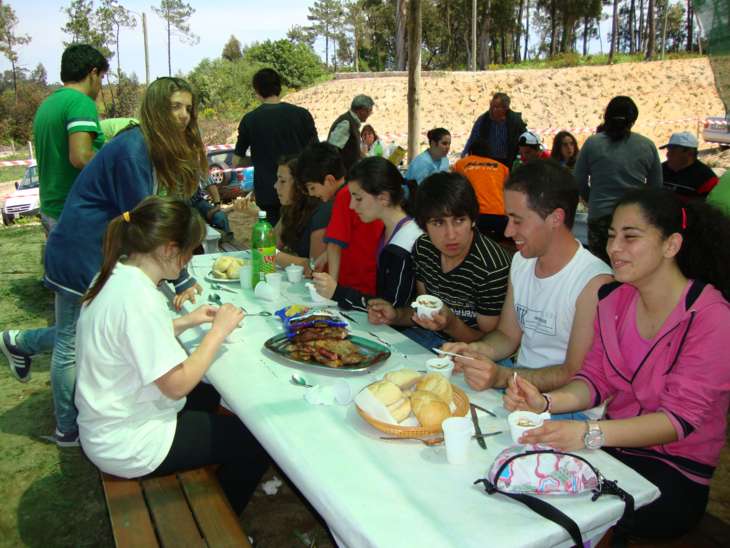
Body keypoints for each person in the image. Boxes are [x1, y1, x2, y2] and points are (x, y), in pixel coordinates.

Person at [504, 187, 730, 540]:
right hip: (612, 450)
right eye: (611, 236)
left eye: (630, 237)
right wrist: (546, 402)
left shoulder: (710, 317)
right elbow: (595, 379)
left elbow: (678, 421)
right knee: (523, 487)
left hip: (674, 468)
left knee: (562, 512)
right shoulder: (614, 299)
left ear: (671, 245)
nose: (614, 248)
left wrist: (588, 434)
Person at [1, 77, 206, 446]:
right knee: (73, 340)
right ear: (156, 107)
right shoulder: (134, 149)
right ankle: (68, 429)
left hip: (99, 249)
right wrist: (180, 277)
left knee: (91, 331)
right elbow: (149, 220)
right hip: (80, 251)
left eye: (188, 108)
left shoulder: (148, 146)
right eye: (175, 106)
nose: (183, 116)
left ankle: (22, 342)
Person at [75, 196, 269, 514]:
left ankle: (211, 468)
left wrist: (186, 321)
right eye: (189, 251)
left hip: (109, 421)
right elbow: (176, 385)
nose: (188, 261)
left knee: (215, 395)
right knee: (258, 442)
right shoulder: (139, 298)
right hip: (128, 443)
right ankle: (217, 522)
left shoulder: (116, 275)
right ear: (169, 249)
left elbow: (130, 337)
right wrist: (217, 333)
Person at [442, 161, 612, 395]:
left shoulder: (594, 283)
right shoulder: (522, 262)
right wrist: (475, 351)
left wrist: (503, 377)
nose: (508, 231)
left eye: (518, 220)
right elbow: (507, 335)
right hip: (519, 382)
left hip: (566, 402)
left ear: (555, 218)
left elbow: (574, 372)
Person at [368, 172, 510, 349]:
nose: (450, 235)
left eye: (459, 220)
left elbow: (490, 340)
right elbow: (423, 310)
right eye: (438, 223)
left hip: (473, 350)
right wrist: (395, 315)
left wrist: (450, 324)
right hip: (428, 337)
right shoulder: (423, 248)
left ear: (473, 220)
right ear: (423, 226)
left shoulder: (492, 267)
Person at [312, 157, 422, 310]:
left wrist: (338, 292)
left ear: (383, 198)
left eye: (358, 198)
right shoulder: (390, 230)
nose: (351, 206)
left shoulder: (405, 242)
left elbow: (392, 310)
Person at [574, 96, 662, 264]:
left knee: (599, 267)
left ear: (607, 116)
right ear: (633, 120)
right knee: (630, 267)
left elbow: (578, 181)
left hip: (600, 217)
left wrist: (593, 200)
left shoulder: (592, 144)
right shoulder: (647, 146)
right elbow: (655, 188)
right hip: (634, 219)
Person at [34, 44, 109, 235]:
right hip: (77, 213)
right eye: (101, 78)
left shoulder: (47, 104)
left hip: (51, 209)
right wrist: (114, 164)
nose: (100, 85)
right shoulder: (81, 102)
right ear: (93, 73)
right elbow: (81, 157)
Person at [296, 142, 384, 295]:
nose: (311, 194)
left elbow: (334, 245)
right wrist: (325, 257)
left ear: (329, 180)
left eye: (312, 187)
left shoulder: (344, 196)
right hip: (372, 278)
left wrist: (332, 289)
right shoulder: (359, 192)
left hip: (354, 283)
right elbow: (350, 236)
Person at [234, 68, 318, 226]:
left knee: (272, 236)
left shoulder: (249, 120)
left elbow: (236, 161)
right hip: (300, 190)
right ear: (279, 87)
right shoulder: (302, 114)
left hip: (267, 193)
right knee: (300, 233)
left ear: (257, 90)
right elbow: (316, 153)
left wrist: (258, 159)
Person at [273, 156, 330, 271]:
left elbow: (315, 268)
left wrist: (276, 256)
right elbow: (269, 244)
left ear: (299, 186)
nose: (275, 186)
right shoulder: (291, 208)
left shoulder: (320, 212)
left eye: (282, 181)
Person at [452, 137, 510, 240]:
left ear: (470, 152)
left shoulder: (460, 164)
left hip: (474, 215)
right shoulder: (502, 168)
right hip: (499, 216)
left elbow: (454, 189)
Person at [462, 92, 527, 169]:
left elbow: (524, 139)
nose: (492, 110)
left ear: (505, 108)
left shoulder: (515, 121)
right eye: (491, 106)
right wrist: (464, 155)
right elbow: (473, 138)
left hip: (508, 161)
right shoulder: (483, 120)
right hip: (488, 161)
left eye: (496, 107)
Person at [660, 131, 719, 202]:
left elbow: (708, 206)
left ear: (689, 153)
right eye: (668, 150)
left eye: (673, 151)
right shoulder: (661, 169)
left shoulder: (707, 178)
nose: (668, 154)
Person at [328, 94, 374, 173]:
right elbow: (332, 149)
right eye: (369, 111)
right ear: (361, 110)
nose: (369, 114)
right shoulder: (346, 123)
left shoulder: (352, 123)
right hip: (341, 174)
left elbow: (351, 149)